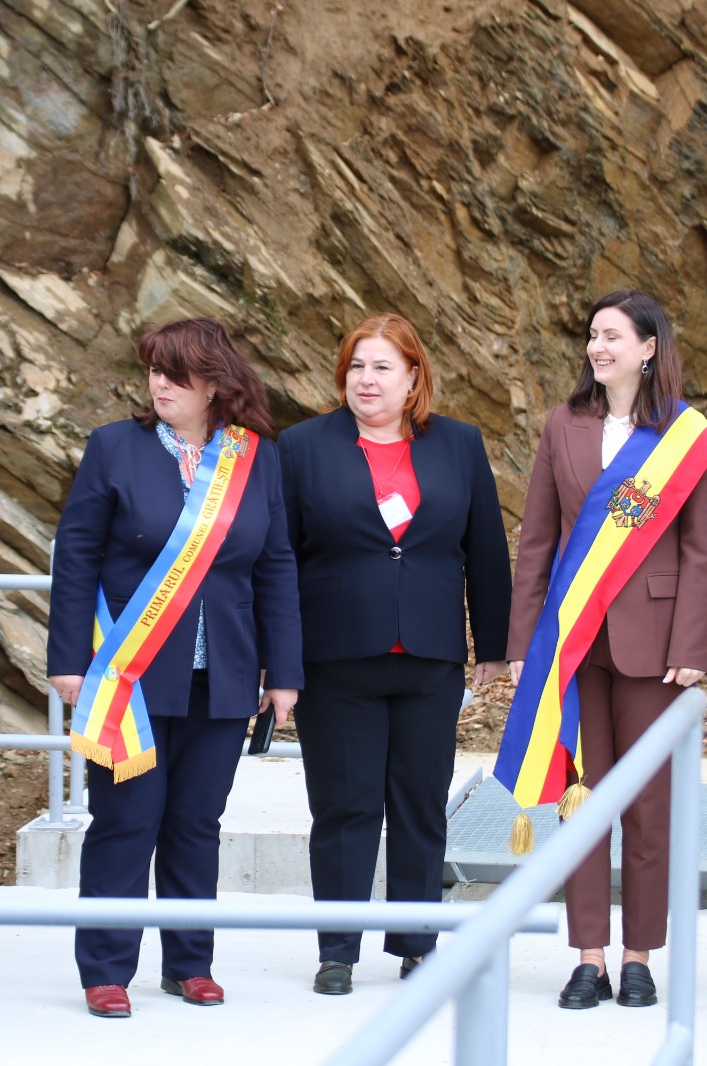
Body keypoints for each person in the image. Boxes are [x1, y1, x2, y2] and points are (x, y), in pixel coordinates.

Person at [47, 317, 301, 1019]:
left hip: (224, 674)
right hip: (130, 677)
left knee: (196, 823)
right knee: (125, 820)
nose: (159, 385)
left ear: (214, 383)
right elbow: (76, 555)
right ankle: (106, 970)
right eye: (154, 371)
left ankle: (191, 963)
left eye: (175, 373)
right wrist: (68, 659)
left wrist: (283, 672)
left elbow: (276, 565)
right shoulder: (114, 447)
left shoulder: (256, 457)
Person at [502, 290, 707, 1011]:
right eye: (592, 335)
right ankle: (589, 957)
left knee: (648, 808)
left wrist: (691, 643)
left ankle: (639, 957)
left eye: (612, 336)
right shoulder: (562, 425)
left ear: (649, 347)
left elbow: (699, 551)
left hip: (652, 646)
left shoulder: (685, 436)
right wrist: (522, 641)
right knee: (581, 800)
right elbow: (537, 540)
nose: (597, 348)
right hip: (572, 643)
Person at [278, 313, 511, 995]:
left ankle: (416, 945)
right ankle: (337, 952)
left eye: (382, 367)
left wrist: (493, 643)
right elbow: (278, 560)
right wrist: (279, 658)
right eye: (356, 366)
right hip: (336, 659)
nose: (366, 379)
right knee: (344, 809)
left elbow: (485, 548)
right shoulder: (301, 446)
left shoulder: (459, 444)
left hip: (430, 657)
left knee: (420, 806)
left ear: (413, 379)